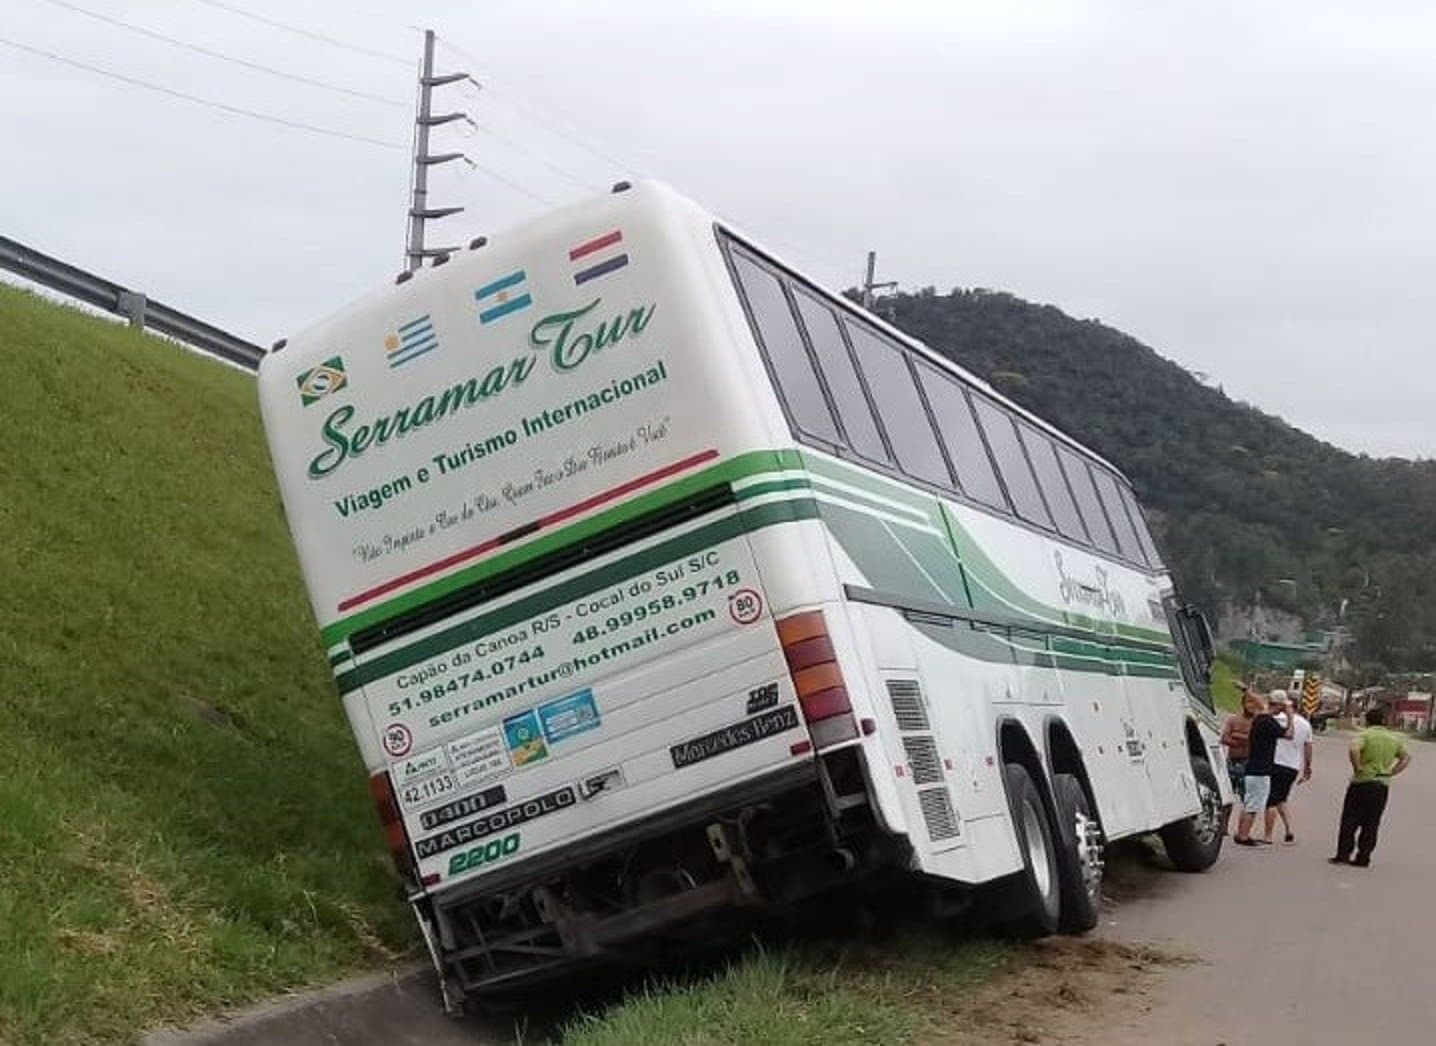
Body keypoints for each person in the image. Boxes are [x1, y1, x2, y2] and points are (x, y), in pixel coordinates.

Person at [1330, 706, 1411, 868]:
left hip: (1362, 782)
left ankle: (1343, 854)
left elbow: (1354, 749)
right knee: (1372, 822)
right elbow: (1406, 757)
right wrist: (1393, 771)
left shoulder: (1365, 735)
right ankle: (1363, 857)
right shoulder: (1393, 739)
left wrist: (1357, 767)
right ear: (1383, 721)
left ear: (1367, 721)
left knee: (1350, 819)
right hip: (1381, 784)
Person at [1232, 689, 1294, 847]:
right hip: (1261, 770)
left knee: (1248, 803)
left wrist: (1249, 692)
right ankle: (1244, 836)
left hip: (1252, 767)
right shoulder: (1268, 722)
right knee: (1253, 805)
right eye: (1283, 707)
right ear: (1278, 705)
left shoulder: (1259, 718)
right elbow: (1289, 734)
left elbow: (1261, 703)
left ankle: (1241, 833)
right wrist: (1290, 717)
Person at [1264, 691, 1313, 844]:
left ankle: (1268, 835)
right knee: (1281, 798)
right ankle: (1289, 829)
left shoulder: (1277, 719)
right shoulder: (1306, 724)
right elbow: (1308, 747)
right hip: (1292, 767)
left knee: (1270, 800)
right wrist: (1307, 767)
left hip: (1275, 762)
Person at [1220, 685, 1259, 834]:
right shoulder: (1233, 720)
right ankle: (1223, 827)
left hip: (1248, 764)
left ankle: (1242, 831)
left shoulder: (1257, 722)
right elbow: (1224, 738)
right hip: (1231, 762)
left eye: (1253, 703)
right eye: (1248, 702)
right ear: (1242, 704)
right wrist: (1244, 740)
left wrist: (1238, 736)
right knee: (1226, 798)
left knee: (1247, 800)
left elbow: (1256, 741)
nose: (1251, 706)